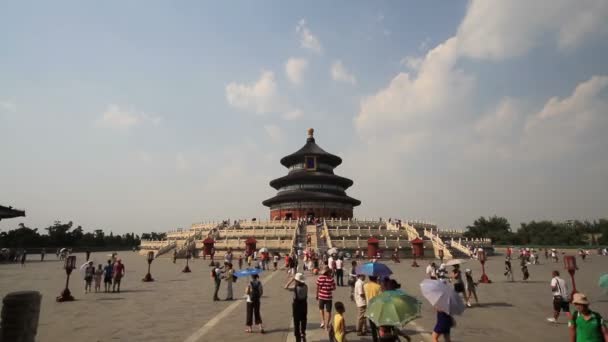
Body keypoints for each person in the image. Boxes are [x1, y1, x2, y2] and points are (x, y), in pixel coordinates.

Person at [285, 273, 308, 342]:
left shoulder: (295, 287)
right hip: (304, 305)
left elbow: (285, 287)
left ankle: (297, 337)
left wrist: (290, 281)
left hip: (296, 306)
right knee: (303, 319)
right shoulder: (306, 286)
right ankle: (303, 333)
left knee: (296, 321)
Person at [317, 266, 337, 330]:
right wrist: (329, 288)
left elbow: (318, 287)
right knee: (328, 311)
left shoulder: (319, 278)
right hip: (328, 297)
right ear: (328, 272)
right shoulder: (331, 279)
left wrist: (316, 295)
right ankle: (327, 325)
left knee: (321, 309)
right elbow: (334, 288)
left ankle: (323, 321)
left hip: (321, 296)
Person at [365, 276, 382, 342]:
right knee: (379, 325)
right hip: (376, 308)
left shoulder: (365, 286)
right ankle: (380, 338)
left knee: (372, 327)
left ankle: (375, 339)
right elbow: (381, 297)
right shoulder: (378, 287)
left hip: (369, 307)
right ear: (375, 278)